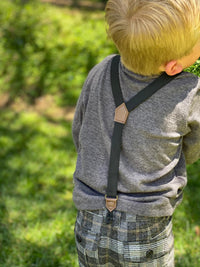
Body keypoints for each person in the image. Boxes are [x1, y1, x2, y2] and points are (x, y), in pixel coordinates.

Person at [72, 0, 200, 266]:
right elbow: (193, 149)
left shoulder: (101, 70)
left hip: (90, 217)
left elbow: (80, 132)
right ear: (174, 66)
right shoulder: (189, 91)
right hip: (147, 224)